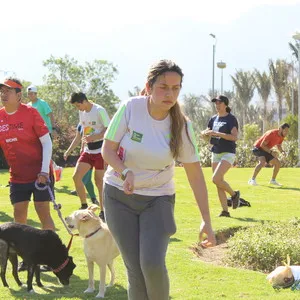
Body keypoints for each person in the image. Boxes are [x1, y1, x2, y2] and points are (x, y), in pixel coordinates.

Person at [102, 59, 216, 300]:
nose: (170, 93)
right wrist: (125, 171)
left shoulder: (183, 126)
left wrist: (206, 220)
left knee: (152, 265)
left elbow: (195, 174)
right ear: (149, 86)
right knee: (135, 270)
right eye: (163, 86)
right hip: (118, 196)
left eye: (176, 88)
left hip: (158, 199)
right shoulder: (130, 108)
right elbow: (107, 149)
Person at [0, 78, 55, 228]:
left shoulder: (31, 113)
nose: (3, 94)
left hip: (40, 174)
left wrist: (44, 171)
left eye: (8, 91)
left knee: (43, 212)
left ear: (18, 95)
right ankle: (22, 251)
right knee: (19, 215)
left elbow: (47, 142)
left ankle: (51, 251)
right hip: (18, 176)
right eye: (2, 91)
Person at [69, 92, 110, 221]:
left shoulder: (99, 110)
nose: (78, 109)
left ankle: (103, 211)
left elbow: (109, 129)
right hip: (88, 150)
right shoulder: (82, 112)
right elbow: (85, 130)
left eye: (77, 105)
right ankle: (84, 206)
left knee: (99, 182)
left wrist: (95, 137)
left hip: (100, 150)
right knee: (76, 177)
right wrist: (83, 144)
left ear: (83, 101)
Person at [201, 95, 240, 218]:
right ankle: (225, 211)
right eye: (216, 103)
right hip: (216, 151)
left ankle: (234, 195)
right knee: (218, 182)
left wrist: (217, 133)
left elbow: (234, 137)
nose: (217, 105)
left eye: (219, 103)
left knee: (216, 178)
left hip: (228, 152)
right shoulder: (213, 119)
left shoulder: (231, 119)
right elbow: (207, 133)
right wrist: (204, 134)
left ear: (225, 105)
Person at [27, 85, 63, 181]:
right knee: (39, 155)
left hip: (46, 133)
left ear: (36, 94)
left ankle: (48, 176)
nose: (30, 95)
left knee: (44, 155)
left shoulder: (42, 103)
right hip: (34, 134)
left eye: (32, 93)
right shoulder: (28, 105)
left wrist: (54, 129)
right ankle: (56, 169)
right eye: (29, 94)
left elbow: (51, 115)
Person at [64, 123, 99, 205]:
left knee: (90, 179)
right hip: (86, 155)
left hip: (97, 153)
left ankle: (93, 200)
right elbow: (78, 139)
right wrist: (68, 151)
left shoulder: (92, 123)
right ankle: (93, 199)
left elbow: (90, 138)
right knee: (87, 178)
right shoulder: (80, 125)